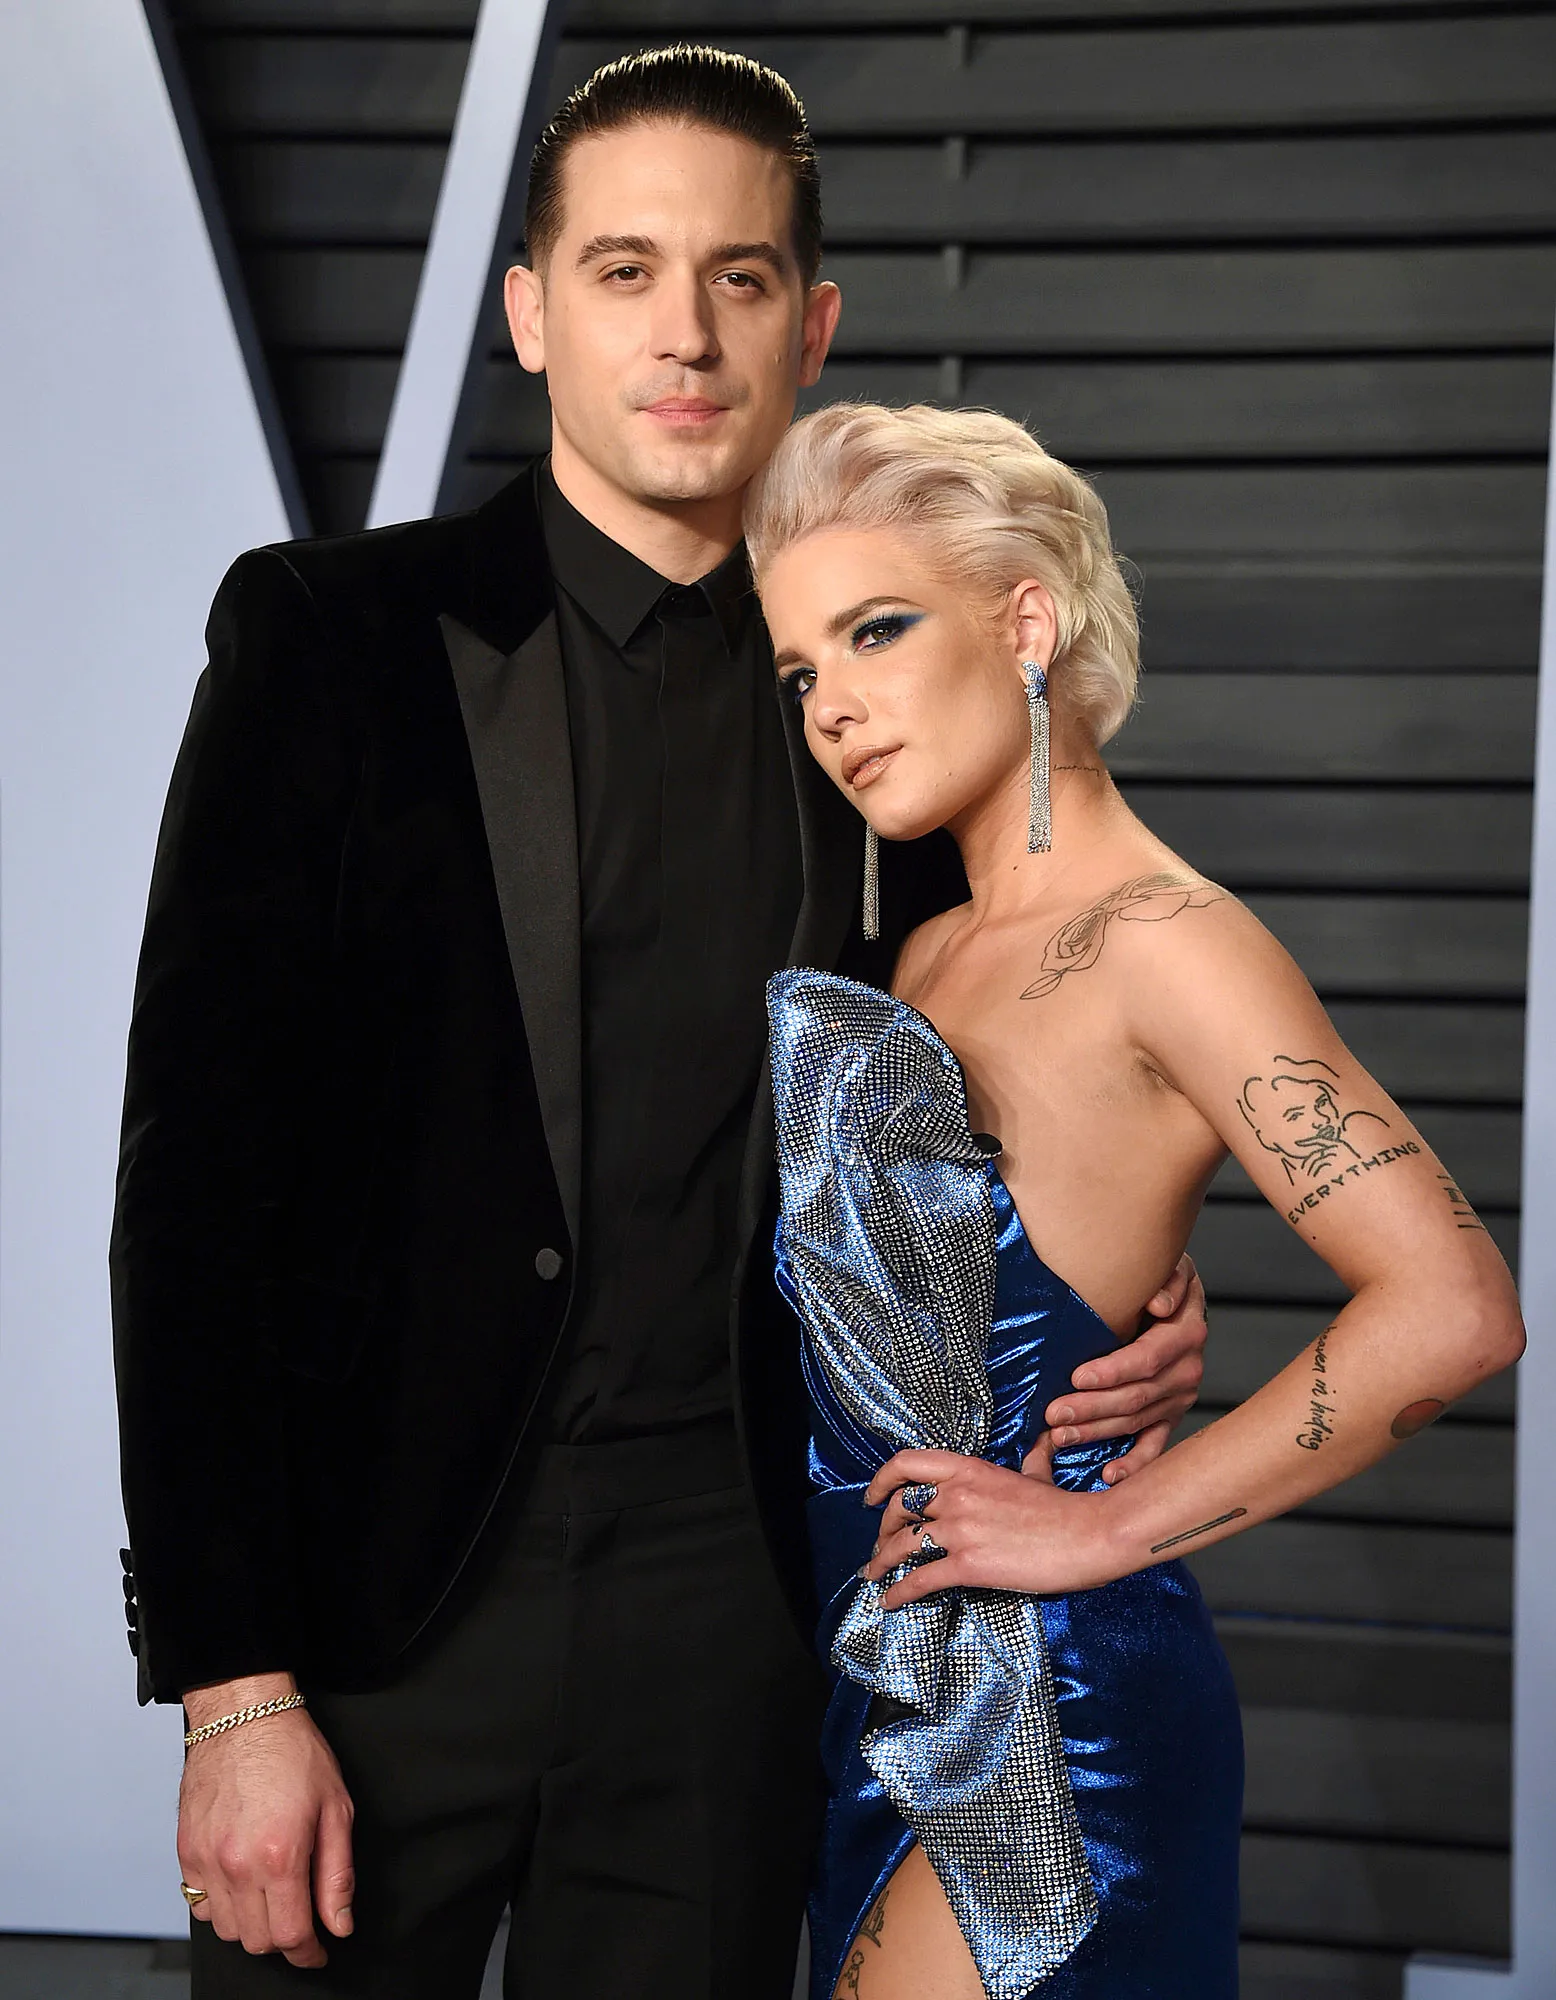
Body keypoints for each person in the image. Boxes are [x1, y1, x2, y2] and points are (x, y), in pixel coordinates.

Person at [109, 48, 1211, 2000]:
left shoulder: (896, 684)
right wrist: (231, 1687)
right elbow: (193, 1192)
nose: (683, 334)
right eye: (623, 271)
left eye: (738, 276)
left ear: (814, 326)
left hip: (737, 1623)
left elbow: (1016, 1041)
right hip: (374, 1618)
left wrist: (1123, 1282)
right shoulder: (330, 641)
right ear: (532, 312)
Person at [743, 401, 1526, 2000]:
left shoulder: (1168, 940)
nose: (836, 707)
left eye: (877, 631)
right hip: (886, 1679)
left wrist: (1103, 1526)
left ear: (1026, 624)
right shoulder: (925, 949)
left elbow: (1452, 1308)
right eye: (803, 673)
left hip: (1051, 1712)